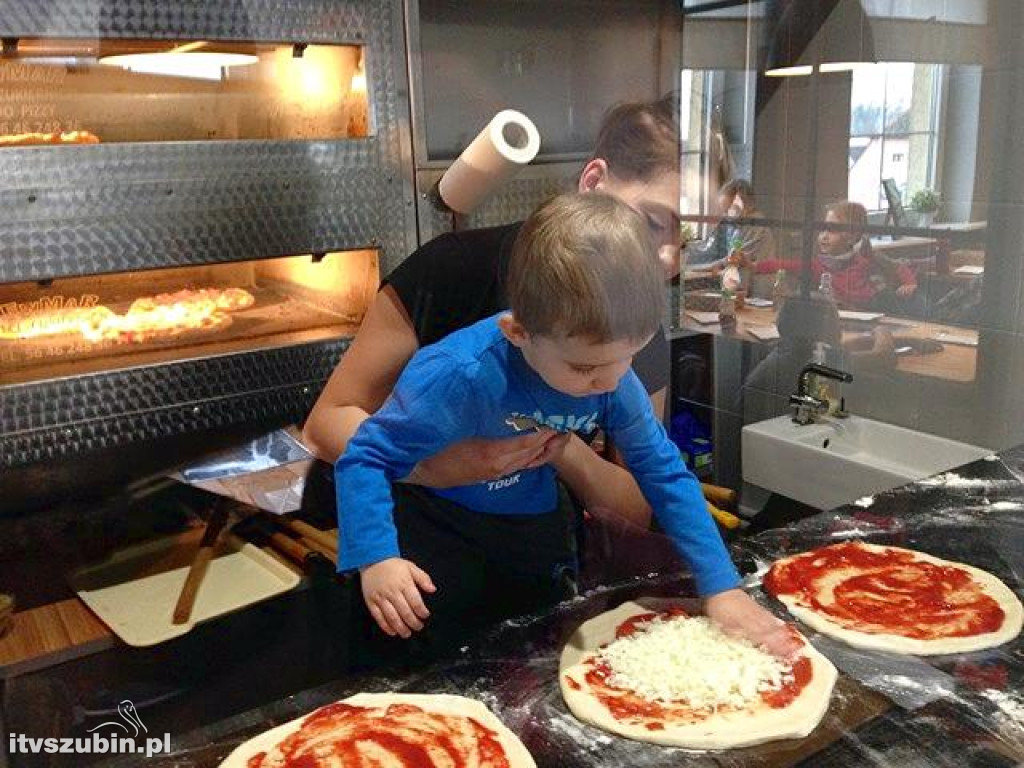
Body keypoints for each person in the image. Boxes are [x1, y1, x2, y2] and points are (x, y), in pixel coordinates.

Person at [336, 193, 796, 661]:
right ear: (518, 332)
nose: (610, 380)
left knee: (540, 655)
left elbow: (664, 471)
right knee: (447, 658)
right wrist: (377, 558)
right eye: (583, 369)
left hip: (532, 521)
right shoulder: (457, 375)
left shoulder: (610, 372)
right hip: (441, 531)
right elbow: (364, 456)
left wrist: (720, 586)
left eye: (628, 357)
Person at [302, 97, 685, 595]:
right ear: (593, 181)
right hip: (416, 570)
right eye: (656, 222)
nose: (670, 258)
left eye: (691, 237)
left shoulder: (635, 321)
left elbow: (637, 503)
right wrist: (433, 467)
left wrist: (558, 446)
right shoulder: (455, 270)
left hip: (538, 563)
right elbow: (328, 420)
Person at [752, 201, 920, 312]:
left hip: (879, 312)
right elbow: (784, 264)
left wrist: (910, 283)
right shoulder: (819, 265)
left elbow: (898, 266)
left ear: (853, 236)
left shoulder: (869, 257)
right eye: (823, 229)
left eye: (832, 230)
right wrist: (752, 265)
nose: (824, 236)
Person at [688, 179, 776, 296]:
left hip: (759, 290)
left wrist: (695, 268)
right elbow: (711, 248)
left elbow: (735, 258)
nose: (725, 215)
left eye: (728, 209)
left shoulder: (755, 223)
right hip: (744, 285)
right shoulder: (736, 225)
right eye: (724, 210)